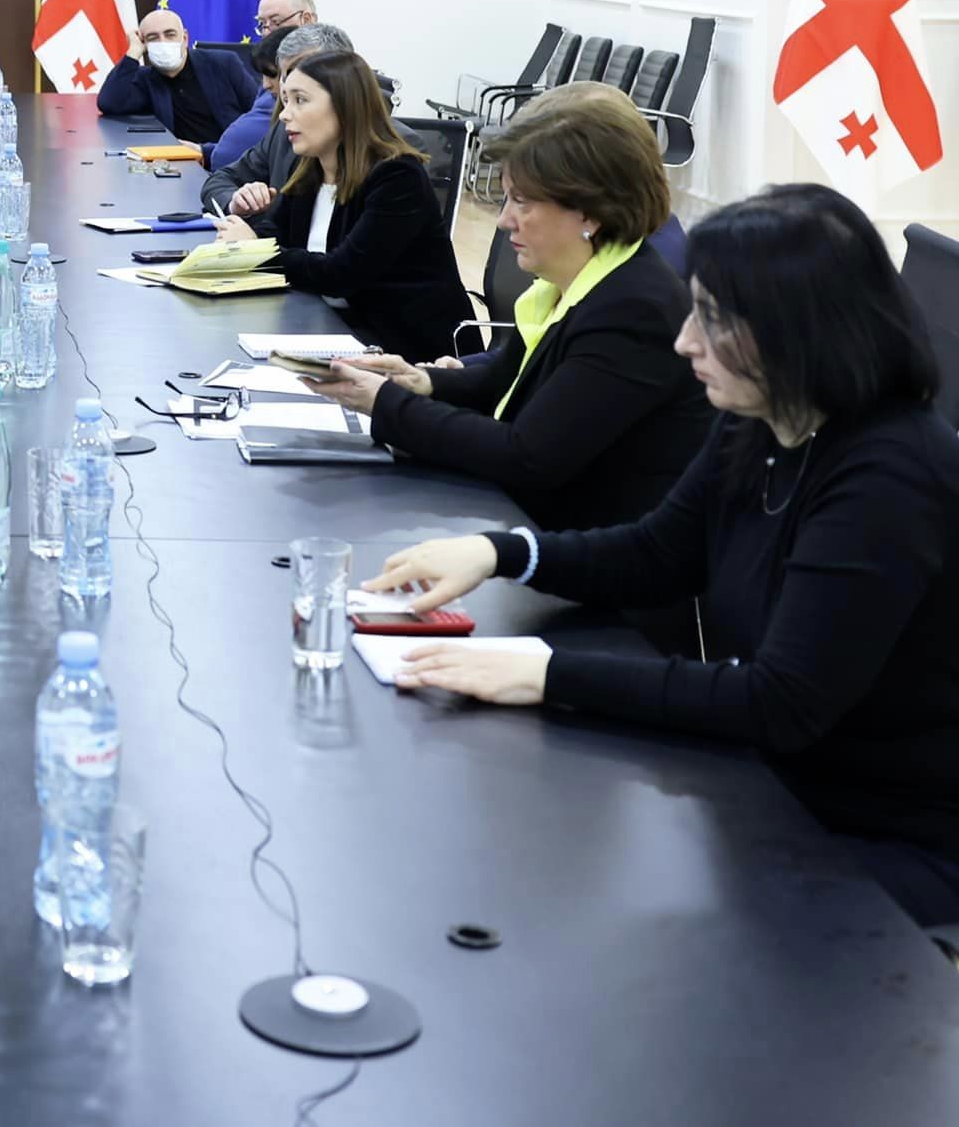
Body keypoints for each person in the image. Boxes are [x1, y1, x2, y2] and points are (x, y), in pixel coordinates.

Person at [363, 183, 959, 929]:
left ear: (800, 330)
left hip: (880, 835)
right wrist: (500, 551)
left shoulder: (888, 476)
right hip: (769, 788)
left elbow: (779, 702)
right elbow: (656, 553)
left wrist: (545, 673)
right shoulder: (762, 418)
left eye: (714, 320)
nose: (686, 343)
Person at [310, 84, 713, 529]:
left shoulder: (633, 310)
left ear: (591, 211)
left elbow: (527, 455)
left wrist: (386, 403)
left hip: (584, 550)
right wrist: (421, 381)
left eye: (521, 200)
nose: (503, 220)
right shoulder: (572, 282)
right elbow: (507, 377)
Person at [203, 48, 472, 361]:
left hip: (406, 351)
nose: (285, 114)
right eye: (285, 100)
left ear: (345, 107)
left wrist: (254, 251)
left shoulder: (398, 176)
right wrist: (244, 233)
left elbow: (342, 274)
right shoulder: (309, 168)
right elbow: (273, 233)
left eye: (300, 100)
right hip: (330, 330)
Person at [207, 22, 357, 173]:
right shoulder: (280, 131)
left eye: (300, 99)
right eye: (284, 77)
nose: (283, 115)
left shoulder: (372, 171)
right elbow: (226, 177)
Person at [95, 7, 258, 144]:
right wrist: (133, 52)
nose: (163, 42)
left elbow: (258, 110)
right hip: (183, 163)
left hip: (230, 158)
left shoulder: (223, 63)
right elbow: (108, 103)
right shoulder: (145, 80)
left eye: (170, 34)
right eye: (153, 38)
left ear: (184, 38)